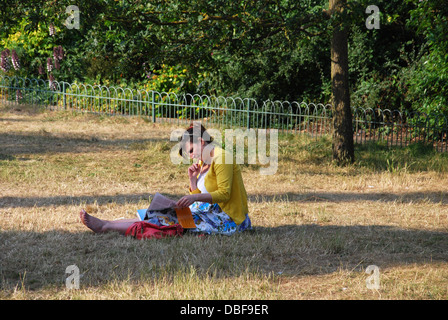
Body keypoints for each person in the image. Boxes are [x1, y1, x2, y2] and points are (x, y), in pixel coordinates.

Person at [80, 122, 252, 238]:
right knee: (159, 215)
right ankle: (107, 224)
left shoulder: (222, 158)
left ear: (201, 141)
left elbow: (224, 194)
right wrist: (193, 183)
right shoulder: (203, 159)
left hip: (228, 219)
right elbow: (203, 196)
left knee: (164, 223)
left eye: (191, 150)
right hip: (210, 213)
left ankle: (105, 227)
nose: (191, 156)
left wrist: (193, 197)